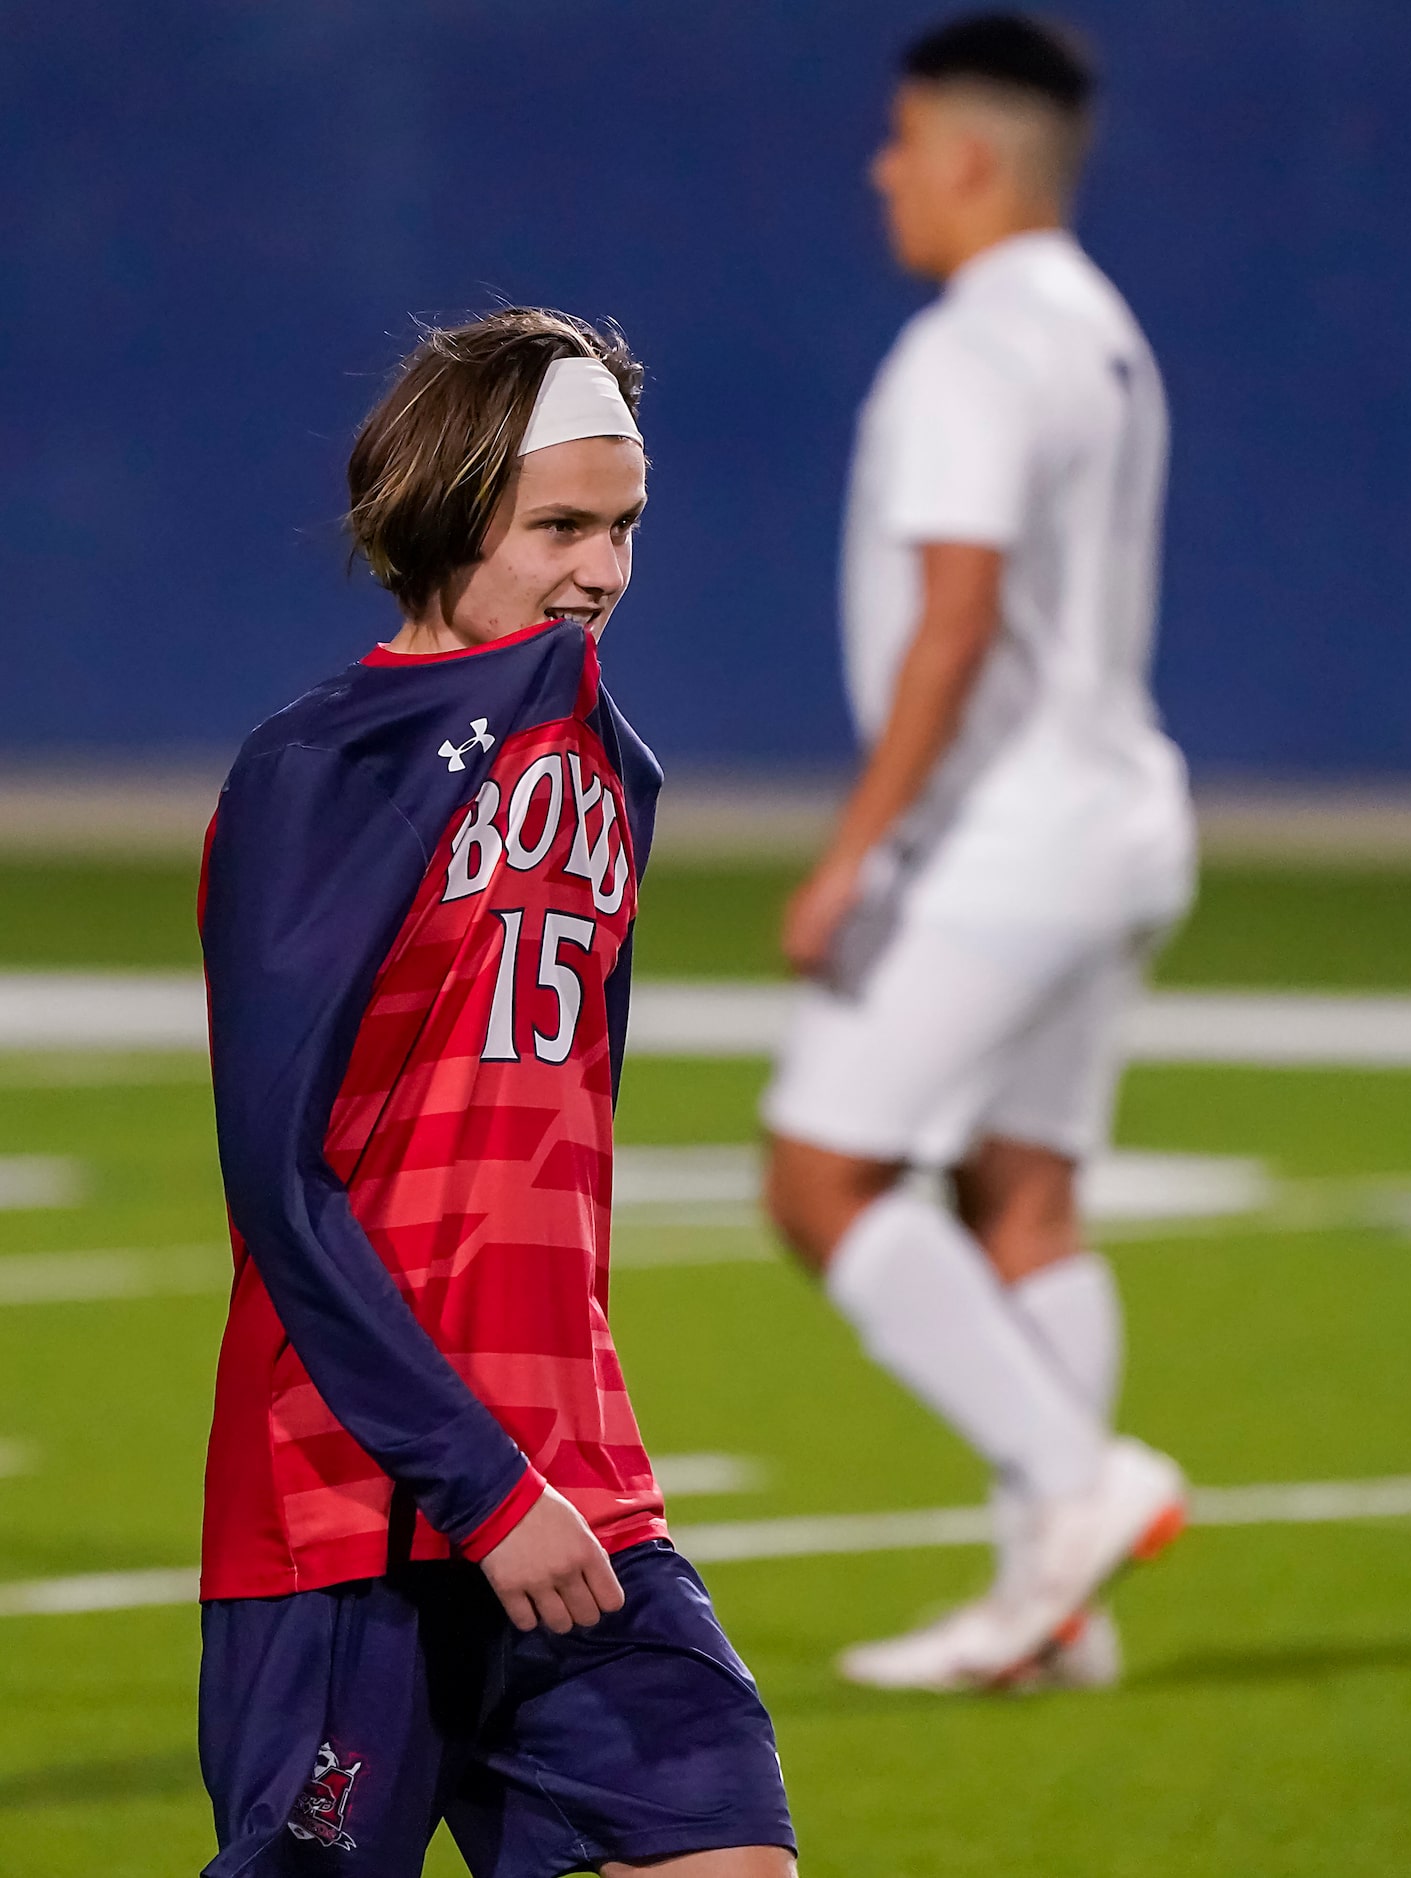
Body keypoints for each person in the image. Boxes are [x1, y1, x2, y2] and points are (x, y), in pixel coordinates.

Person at [196, 308, 796, 1877]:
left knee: (725, 1851)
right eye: (560, 527)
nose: (601, 570)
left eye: (625, 529)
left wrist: (543, 1466)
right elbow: (280, 1173)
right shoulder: (323, 767)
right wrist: (472, 1478)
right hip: (356, 1502)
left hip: (577, 1483)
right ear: (451, 509)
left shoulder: (613, 766)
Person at [762, 14, 1195, 1692]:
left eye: (899, 140)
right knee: (1023, 1194)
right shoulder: (1102, 328)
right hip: (1121, 811)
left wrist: (854, 848)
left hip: (1011, 833)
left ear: (964, 154)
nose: (883, 171)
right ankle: (1051, 1609)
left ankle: (1082, 1487)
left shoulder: (966, 346)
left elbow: (956, 616)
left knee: (820, 1175)